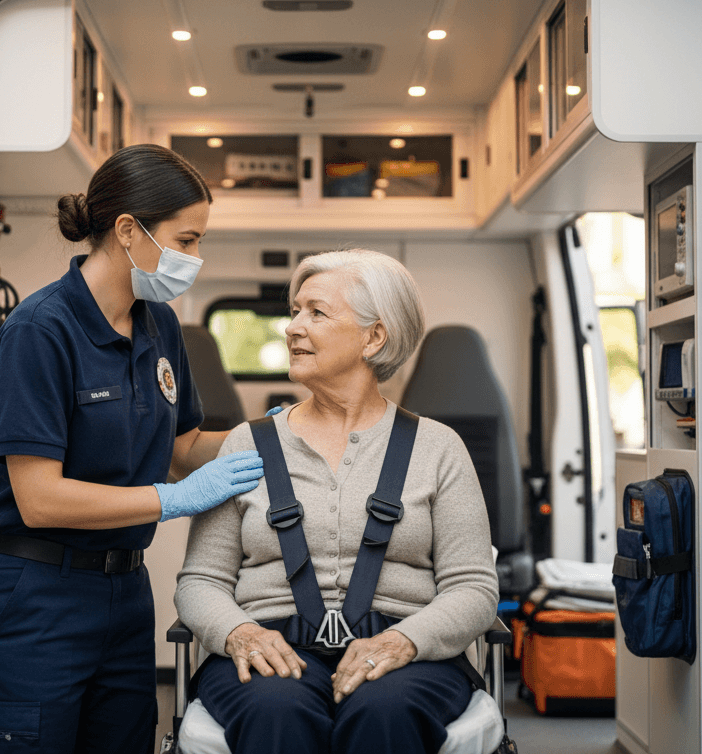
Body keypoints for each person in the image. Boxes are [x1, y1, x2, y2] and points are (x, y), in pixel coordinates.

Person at [0, 144, 265, 753]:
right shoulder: (40, 331)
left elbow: (182, 447)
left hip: (125, 596)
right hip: (38, 596)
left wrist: (270, 435)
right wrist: (171, 501)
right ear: (129, 231)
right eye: (187, 239)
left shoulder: (159, 324)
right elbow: (41, 499)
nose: (195, 257)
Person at [175, 249, 499, 754]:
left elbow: (474, 587)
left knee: (384, 711)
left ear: (374, 337)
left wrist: (405, 641)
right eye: (295, 311)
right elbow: (202, 580)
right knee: (276, 711)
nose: (292, 328)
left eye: (317, 313)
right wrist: (238, 632)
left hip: (405, 650)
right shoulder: (246, 442)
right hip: (269, 645)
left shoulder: (439, 448)